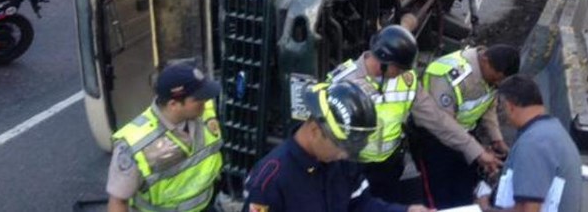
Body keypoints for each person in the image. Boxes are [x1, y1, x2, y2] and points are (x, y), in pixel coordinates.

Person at [328, 25, 502, 203]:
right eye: (400, 69)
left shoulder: (406, 80)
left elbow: (437, 119)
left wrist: (476, 151)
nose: (404, 73)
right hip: (351, 168)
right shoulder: (343, 82)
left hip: (389, 168)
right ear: (385, 63)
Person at [242, 81, 433, 212]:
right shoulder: (269, 181)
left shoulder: (341, 164)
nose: (344, 154)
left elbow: (361, 205)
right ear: (316, 130)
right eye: (340, 146)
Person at [106, 62, 224, 212]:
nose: (205, 102)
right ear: (173, 104)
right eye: (198, 99)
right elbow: (118, 202)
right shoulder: (134, 145)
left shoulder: (205, 113)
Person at [419, 44, 521, 208]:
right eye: (497, 78)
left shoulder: (491, 75)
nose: (498, 83)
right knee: (440, 197)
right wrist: (477, 151)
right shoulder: (447, 76)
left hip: (465, 137)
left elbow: (488, 106)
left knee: (465, 192)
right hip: (435, 140)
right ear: (485, 61)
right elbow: (443, 125)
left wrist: (497, 140)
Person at [482, 74, 582, 212]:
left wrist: (485, 209)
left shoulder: (534, 142)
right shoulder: (551, 130)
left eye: (502, 108)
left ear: (509, 106)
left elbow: (528, 210)